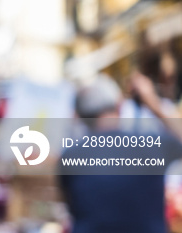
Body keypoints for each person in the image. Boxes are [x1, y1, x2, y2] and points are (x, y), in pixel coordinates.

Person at [60, 76, 182, 233]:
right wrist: (153, 104)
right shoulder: (151, 146)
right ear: (119, 106)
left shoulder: (71, 155)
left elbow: (71, 206)